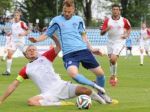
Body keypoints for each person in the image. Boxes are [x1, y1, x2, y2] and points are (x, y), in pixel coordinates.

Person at [29, 0, 112, 103]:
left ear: (73, 10)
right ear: (62, 9)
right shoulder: (56, 21)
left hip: (83, 50)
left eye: (69, 11)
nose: (66, 14)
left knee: (100, 74)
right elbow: (47, 34)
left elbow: (84, 36)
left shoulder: (79, 19)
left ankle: (101, 95)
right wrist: (37, 40)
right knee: (73, 74)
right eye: (65, 11)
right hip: (69, 54)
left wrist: (91, 49)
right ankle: (94, 85)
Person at [0, 35, 108, 106]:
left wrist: (52, 35)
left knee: (85, 91)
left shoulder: (46, 56)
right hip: (49, 93)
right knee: (31, 102)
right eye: (29, 51)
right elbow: (14, 85)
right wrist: (1, 99)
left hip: (62, 86)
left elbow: (59, 46)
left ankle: (102, 101)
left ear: (37, 51)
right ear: (25, 55)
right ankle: (60, 104)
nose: (32, 51)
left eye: (34, 49)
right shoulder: (25, 69)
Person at [100, 4, 131, 86]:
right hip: (110, 42)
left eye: (117, 9)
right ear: (112, 11)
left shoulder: (124, 20)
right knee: (111, 60)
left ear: (119, 11)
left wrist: (126, 35)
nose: (115, 11)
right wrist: (106, 29)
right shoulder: (107, 21)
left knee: (113, 59)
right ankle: (113, 75)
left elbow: (129, 28)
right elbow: (101, 33)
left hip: (120, 41)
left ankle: (113, 76)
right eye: (114, 9)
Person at [2, 11, 29, 76]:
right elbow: (13, 32)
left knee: (27, 56)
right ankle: (8, 71)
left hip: (20, 42)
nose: (16, 17)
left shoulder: (22, 23)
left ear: (19, 17)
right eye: (15, 15)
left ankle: (34, 67)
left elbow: (28, 30)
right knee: (9, 55)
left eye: (17, 15)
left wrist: (23, 33)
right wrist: (10, 33)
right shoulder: (13, 24)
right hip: (14, 42)